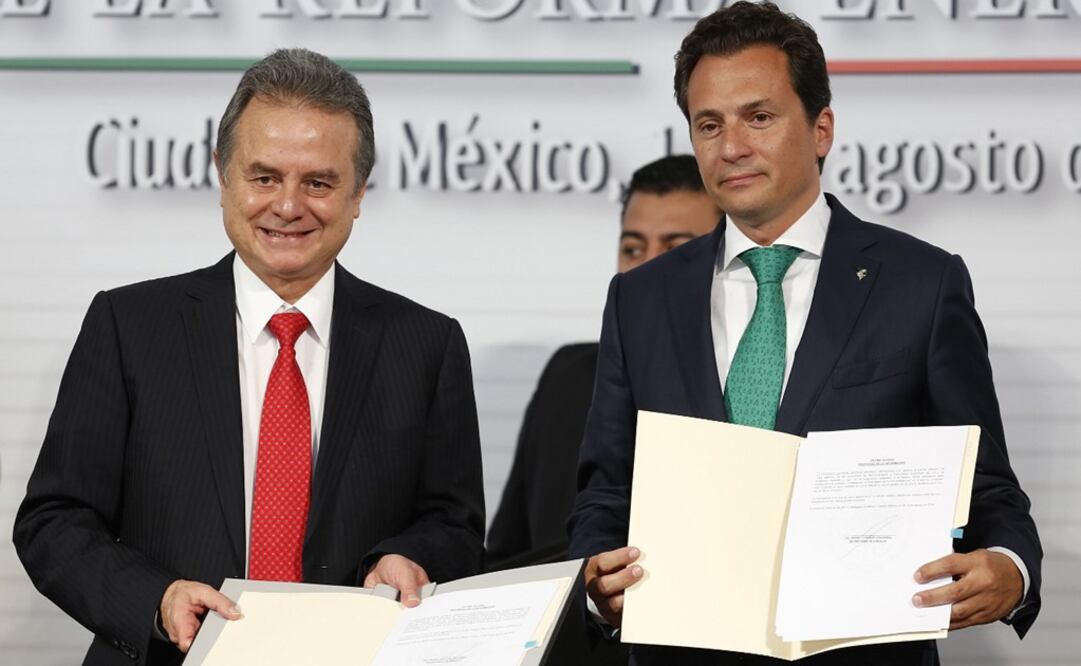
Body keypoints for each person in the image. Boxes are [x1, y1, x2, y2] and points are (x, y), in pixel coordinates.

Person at [567, 3, 1042, 665]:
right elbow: (606, 487)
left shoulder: (921, 284)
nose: (730, 146)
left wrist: (1010, 568)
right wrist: (593, 579)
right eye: (709, 124)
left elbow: (986, 485)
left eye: (758, 117)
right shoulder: (640, 297)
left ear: (820, 129)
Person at [13, 49, 484, 666]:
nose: (288, 207)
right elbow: (55, 519)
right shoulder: (129, 325)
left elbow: (454, 524)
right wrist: (155, 600)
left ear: (359, 192)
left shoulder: (426, 342)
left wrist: (408, 558)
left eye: (318, 182)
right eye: (264, 177)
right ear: (223, 175)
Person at [486, 154, 720, 568]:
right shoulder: (569, 376)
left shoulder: (743, 384)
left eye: (675, 250)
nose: (645, 269)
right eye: (633, 248)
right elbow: (509, 553)